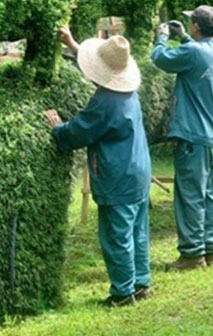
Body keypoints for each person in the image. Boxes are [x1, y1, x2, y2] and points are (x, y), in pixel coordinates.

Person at [45, 27, 151, 307]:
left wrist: (58, 129)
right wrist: (71, 44)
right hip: (138, 172)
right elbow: (106, 67)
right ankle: (141, 283)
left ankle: (122, 292)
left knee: (116, 236)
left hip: (118, 177)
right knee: (138, 232)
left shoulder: (106, 101)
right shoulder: (130, 91)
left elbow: (79, 131)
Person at [151, 6, 213, 270]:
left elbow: (160, 59)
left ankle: (192, 255)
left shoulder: (193, 51)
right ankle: (208, 248)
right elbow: (195, 58)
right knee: (209, 194)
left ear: (196, 26)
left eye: (190, 23)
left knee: (190, 196)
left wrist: (161, 36)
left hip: (193, 136)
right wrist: (183, 37)